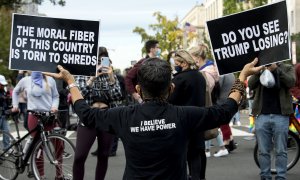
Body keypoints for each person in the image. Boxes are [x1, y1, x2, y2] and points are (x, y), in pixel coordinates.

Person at [45, 57, 262, 180]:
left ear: (139, 88)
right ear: (171, 88)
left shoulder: (122, 116)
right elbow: (226, 109)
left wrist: (71, 81)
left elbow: (86, 113)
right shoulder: (185, 115)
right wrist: (242, 77)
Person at [72, 46, 123, 180]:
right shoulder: (84, 74)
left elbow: (118, 95)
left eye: (103, 59)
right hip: (89, 115)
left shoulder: (111, 75)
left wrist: (111, 78)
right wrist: (92, 78)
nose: (100, 63)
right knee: (79, 156)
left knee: (103, 155)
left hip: (106, 115)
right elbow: (80, 94)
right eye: (98, 60)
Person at [248, 62, 295, 180]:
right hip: (262, 114)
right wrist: (259, 70)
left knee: (281, 150)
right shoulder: (260, 67)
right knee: (263, 151)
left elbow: (291, 82)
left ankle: (281, 177)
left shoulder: (287, 67)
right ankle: (265, 176)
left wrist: (276, 70)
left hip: (281, 115)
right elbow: (250, 84)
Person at [12, 71, 60, 179]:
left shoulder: (50, 79)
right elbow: (15, 91)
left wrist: (54, 106)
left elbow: (56, 96)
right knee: (38, 148)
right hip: (34, 117)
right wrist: (15, 105)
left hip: (49, 117)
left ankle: (59, 175)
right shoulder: (26, 80)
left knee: (59, 146)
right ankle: (41, 176)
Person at [167, 49, 206, 180]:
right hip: (198, 120)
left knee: (181, 157)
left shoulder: (179, 79)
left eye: (176, 62)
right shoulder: (200, 76)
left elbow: (170, 100)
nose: (174, 65)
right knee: (196, 156)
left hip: (181, 122)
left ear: (183, 63)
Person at [0, 75, 10, 153]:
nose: (3, 86)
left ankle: (7, 148)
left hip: (4, 114)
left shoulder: (4, 91)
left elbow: (6, 104)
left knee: (7, 132)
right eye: (2, 84)